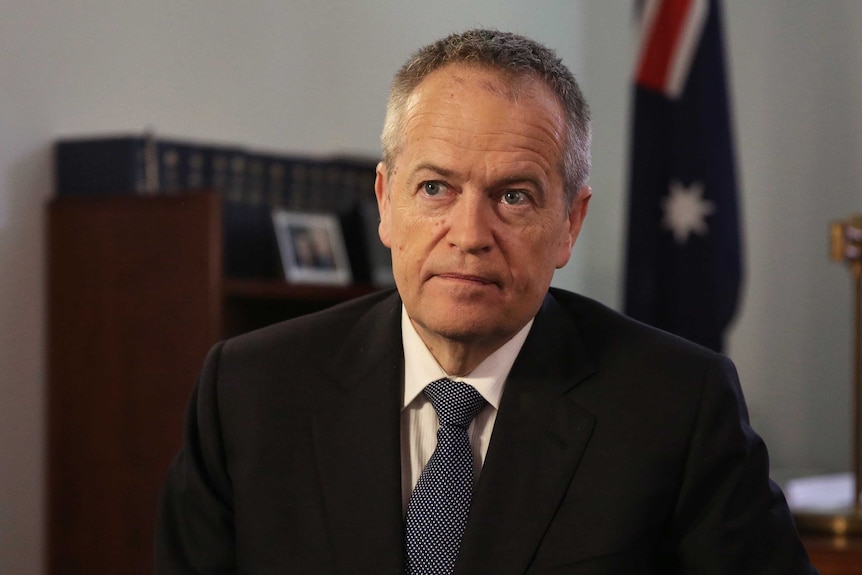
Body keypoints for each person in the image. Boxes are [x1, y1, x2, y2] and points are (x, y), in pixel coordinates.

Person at [155, 29, 818, 574]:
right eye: (437, 188)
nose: (470, 237)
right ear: (386, 202)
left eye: (514, 196)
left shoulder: (677, 406)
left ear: (569, 223)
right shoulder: (248, 393)